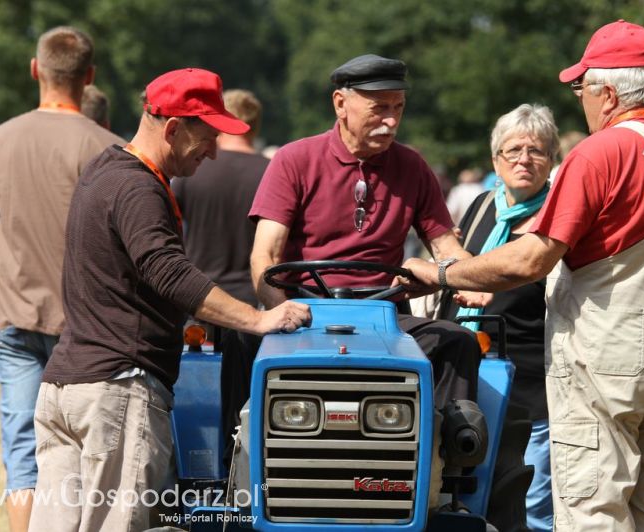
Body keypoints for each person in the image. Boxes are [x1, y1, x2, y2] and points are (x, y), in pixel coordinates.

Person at [401, 20, 644, 530]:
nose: (580, 102)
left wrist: (444, 273)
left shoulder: (597, 154)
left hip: (608, 363)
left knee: (595, 513)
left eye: (580, 88)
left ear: (607, 94)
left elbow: (530, 260)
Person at [27, 68, 310, 532]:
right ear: (174, 128)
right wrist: (259, 320)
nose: (214, 152)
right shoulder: (139, 187)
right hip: (116, 391)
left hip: (65, 389)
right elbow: (169, 273)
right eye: (208, 137)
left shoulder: (103, 171)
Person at [249, 54, 482, 411]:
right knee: (240, 337)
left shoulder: (413, 167)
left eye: (398, 108)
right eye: (379, 109)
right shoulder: (294, 159)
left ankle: (448, 460)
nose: (391, 121)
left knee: (459, 341)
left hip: (383, 316)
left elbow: (446, 246)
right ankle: (236, 452)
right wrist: (278, 312)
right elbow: (265, 256)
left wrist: (470, 279)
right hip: (306, 310)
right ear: (340, 104)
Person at [0, 26, 123, 532]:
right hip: (90, 330)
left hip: (14, 323)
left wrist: (5, 287)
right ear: (90, 77)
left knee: (23, 458)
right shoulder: (112, 149)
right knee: (88, 457)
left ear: (36, 70)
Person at [438, 103, 558, 531]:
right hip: (464, 374)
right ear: (495, 161)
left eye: (537, 150)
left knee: (532, 505)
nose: (524, 159)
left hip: (530, 384)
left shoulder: (558, 216)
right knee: (462, 494)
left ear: (552, 160)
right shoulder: (481, 203)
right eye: (513, 150)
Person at [171, 88, 271, 458]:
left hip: (195, 301)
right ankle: (240, 469)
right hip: (251, 305)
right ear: (255, 124)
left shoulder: (191, 171)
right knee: (244, 402)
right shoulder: (270, 171)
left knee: (189, 402)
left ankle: (191, 472)